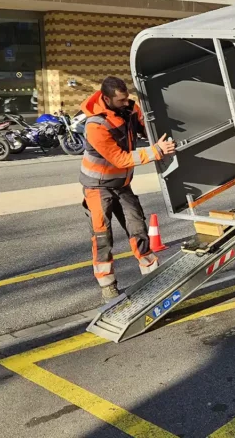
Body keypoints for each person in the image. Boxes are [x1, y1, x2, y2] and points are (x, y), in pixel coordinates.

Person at [80, 76, 176, 302]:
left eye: (127, 98)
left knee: (137, 228)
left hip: (122, 185)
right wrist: (156, 151)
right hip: (97, 187)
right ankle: (108, 286)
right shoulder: (95, 125)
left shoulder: (129, 109)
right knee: (102, 236)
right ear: (106, 98)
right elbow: (120, 159)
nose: (126, 103)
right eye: (121, 100)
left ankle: (152, 274)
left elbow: (146, 129)